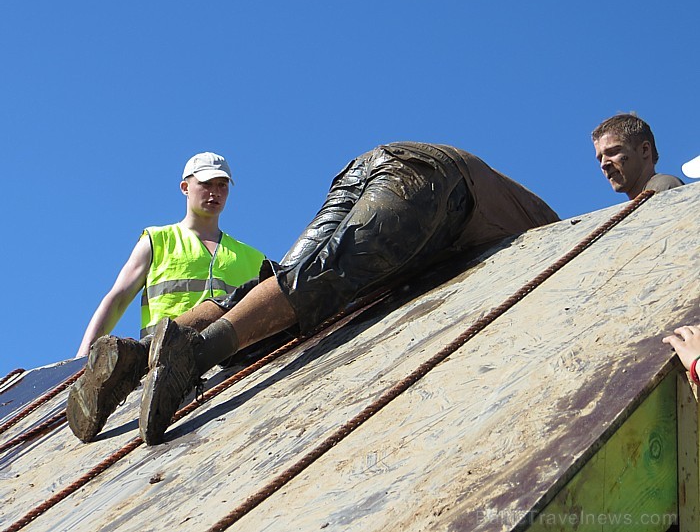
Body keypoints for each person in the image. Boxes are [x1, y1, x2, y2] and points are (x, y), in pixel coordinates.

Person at [67, 141, 560, 445]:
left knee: (291, 274)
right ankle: (193, 357)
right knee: (322, 279)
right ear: (186, 187)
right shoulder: (560, 239)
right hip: (430, 181)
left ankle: (135, 357)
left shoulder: (524, 208)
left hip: (370, 165)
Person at [67, 152, 265, 441]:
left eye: (222, 185)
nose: (215, 193)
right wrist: (81, 360)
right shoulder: (158, 239)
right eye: (207, 184)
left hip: (227, 367)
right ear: (185, 188)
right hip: (159, 367)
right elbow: (118, 296)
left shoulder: (252, 257)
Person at [592, 113, 684, 200]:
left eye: (613, 152)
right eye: (600, 159)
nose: (603, 164)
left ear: (645, 150)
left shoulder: (664, 186)